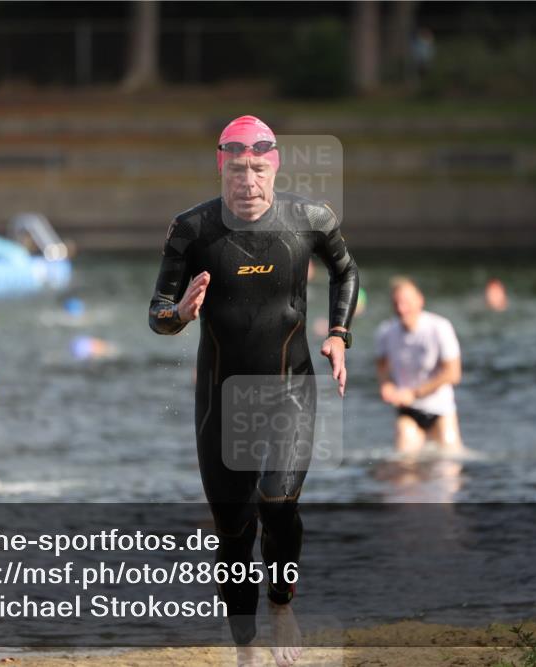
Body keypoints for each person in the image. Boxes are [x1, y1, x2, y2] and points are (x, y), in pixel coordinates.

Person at [149, 115, 359, 667]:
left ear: (274, 168)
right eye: (238, 170)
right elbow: (157, 314)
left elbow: (345, 269)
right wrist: (180, 314)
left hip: (291, 389)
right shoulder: (191, 230)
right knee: (233, 533)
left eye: (259, 170)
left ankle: (282, 603)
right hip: (220, 402)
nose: (249, 182)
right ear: (222, 169)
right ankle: (244, 649)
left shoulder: (309, 219)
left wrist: (339, 333)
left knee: (277, 501)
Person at [376, 277, 463, 456]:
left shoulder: (440, 327)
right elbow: (381, 365)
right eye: (396, 303)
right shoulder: (385, 332)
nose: (401, 309)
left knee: (449, 467)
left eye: (406, 303)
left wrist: (414, 393)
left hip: (441, 410)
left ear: (420, 301)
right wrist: (386, 384)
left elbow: (454, 374)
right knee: (404, 465)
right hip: (408, 412)